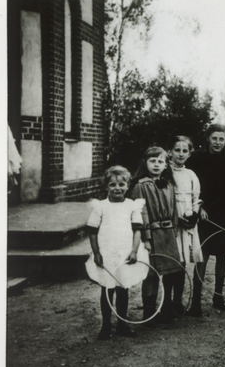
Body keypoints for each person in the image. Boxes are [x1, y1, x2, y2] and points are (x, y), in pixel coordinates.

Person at [85, 166, 149, 340]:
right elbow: (92, 231)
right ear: (106, 187)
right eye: (112, 185)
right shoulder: (101, 207)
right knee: (107, 289)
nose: (117, 188)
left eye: (121, 184)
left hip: (125, 253)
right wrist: (96, 253)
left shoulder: (132, 206)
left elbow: (137, 230)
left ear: (128, 185)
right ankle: (106, 325)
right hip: (107, 253)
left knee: (123, 288)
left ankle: (122, 323)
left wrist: (134, 251)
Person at [189, 125, 225, 315]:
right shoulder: (197, 160)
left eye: (221, 139)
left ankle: (218, 296)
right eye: (214, 138)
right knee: (202, 255)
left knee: (222, 254)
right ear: (208, 139)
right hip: (204, 213)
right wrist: (199, 207)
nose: (218, 142)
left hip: (224, 213)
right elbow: (191, 186)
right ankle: (195, 302)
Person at [131, 146, 183, 325]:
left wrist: (174, 230)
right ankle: (148, 313)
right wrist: (146, 238)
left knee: (169, 273)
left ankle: (165, 308)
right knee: (151, 274)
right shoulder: (140, 186)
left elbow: (174, 210)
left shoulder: (169, 185)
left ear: (166, 165)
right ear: (145, 163)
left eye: (160, 161)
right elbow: (141, 213)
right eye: (152, 161)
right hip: (152, 236)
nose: (156, 164)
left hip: (168, 234)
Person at [168, 136, 203, 316]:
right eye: (177, 150)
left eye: (185, 151)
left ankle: (177, 301)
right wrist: (175, 217)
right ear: (170, 152)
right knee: (172, 262)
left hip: (188, 222)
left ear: (189, 154)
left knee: (182, 263)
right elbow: (165, 199)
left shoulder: (191, 174)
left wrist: (195, 215)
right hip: (172, 223)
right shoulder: (166, 173)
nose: (181, 154)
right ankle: (167, 302)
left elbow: (196, 199)